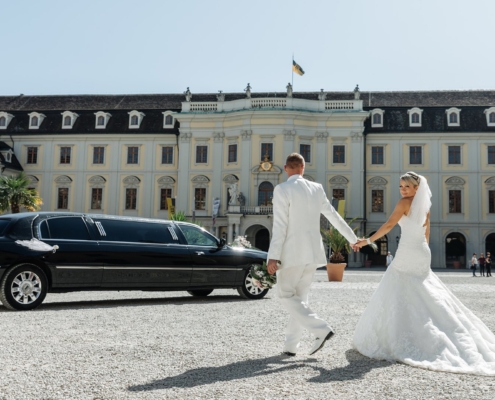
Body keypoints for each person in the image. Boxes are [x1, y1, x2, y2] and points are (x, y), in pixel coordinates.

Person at [354, 172, 495, 375]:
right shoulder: (425, 205)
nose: (403, 190)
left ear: (416, 189)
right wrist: (423, 250)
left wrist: (367, 241)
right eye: (401, 186)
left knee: (398, 288)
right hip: (421, 250)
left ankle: (404, 333)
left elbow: (389, 225)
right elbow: (426, 231)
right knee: (422, 289)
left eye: (407, 186)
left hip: (408, 250)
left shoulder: (404, 203)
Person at [266, 153, 358, 357]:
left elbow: (280, 226)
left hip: (291, 252)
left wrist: (272, 256)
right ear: (303, 167)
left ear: (285, 168)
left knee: (285, 295)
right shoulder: (316, 189)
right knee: (300, 299)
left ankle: (321, 329)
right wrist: (352, 238)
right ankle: (291, 347)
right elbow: (333, 215)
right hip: (313, 253)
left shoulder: (282, 189)